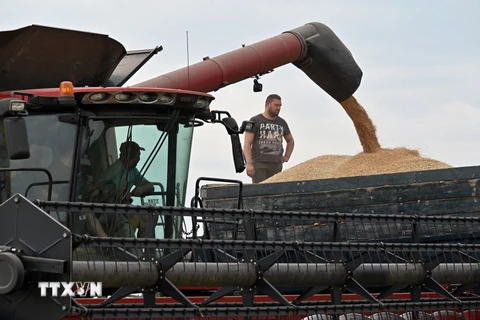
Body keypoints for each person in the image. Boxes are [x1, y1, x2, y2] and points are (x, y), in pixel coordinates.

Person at [95, 140, 155, 238]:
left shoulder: (132, 171)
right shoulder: (117, 172)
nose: (139, 158)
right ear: (131, 157)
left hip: (122, 208)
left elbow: (150, 186)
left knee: (150, 217)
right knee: (134, 217)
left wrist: (141, 189)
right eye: (138, 155)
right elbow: (113, 198)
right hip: (107, 210)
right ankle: (127, 248)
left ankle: (142, 249)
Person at [243, 94, 295, 183]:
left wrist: (287, 156)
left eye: (280, 106)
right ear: (268, 104)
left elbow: (290, 140)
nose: (278, 108)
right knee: (260, 190)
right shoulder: (255, 120)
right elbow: (247, 144)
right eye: (276, 105)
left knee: (275, 191)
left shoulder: (282, 122)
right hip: (259, 164)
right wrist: (248, 163)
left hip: (276, 164)